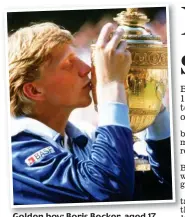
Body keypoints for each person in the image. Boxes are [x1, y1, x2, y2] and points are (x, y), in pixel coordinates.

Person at [9, 22, 172, 205]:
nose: (86, 68)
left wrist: (151, 103)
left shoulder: (83, 137)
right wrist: (110, 86)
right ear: (34, 91)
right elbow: (107, 191)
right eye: (69, 64)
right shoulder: (14, 153)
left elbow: (164, 189)